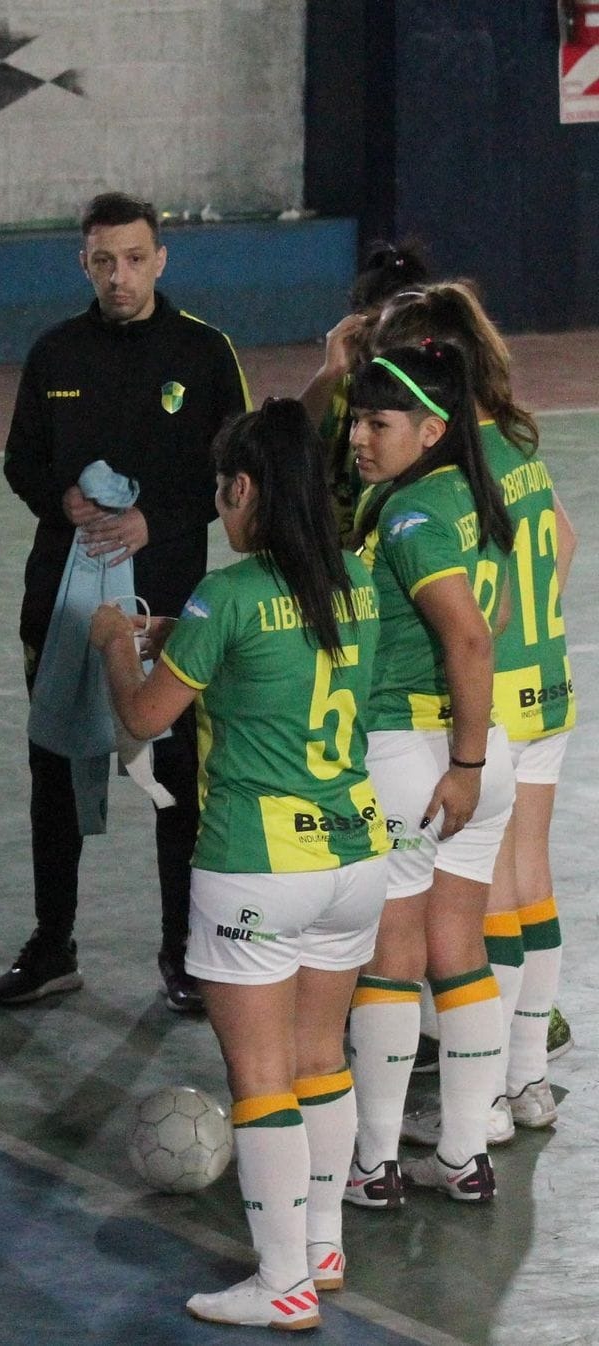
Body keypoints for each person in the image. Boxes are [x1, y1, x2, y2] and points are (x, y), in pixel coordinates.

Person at [90, 399, 388, 1330]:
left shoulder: (232, 593)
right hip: (355, 857)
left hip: (258, 863)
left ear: (247, 488)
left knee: (260, 1078)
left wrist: (113, 650)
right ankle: (325, 1246)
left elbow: (143, 719)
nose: (220, 511)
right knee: (319, 1060)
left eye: (223, 493)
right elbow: (282, 640)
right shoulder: (358, 584)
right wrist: (191, 631)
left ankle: (280, 1282)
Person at [0, 191, 251, 1011]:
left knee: (176, 778)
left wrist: (156, 520)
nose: (120, 276)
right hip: (64, 607)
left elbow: (237, 479)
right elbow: (19, 464)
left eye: (135, 258)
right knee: (55, 771)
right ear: (84, 263)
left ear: (161, 258)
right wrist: (58, 499)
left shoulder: (206, 355)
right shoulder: (54, 353)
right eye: (104, 261)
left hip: (171, 607)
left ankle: (182, 951)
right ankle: (52, 943)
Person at [373, 283, 576, 1138]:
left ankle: (483, 1099)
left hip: (488, 698)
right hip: (549, 681)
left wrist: (489, 638)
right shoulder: (516, 440)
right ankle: (524, 1079)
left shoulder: (452, 465)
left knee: (479, 899)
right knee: (529, 877)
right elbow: (562, 538)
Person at [343, 343, 516, 1207]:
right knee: (461, 948)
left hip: (421, 756)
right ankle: (461, 1156)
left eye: (379, 422)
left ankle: (371, 1164)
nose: (358, 438)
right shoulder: (477, 498)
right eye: (356, 420)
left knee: (391, 956)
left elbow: (470, 637)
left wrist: (464, 762)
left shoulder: (408, 515)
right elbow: (508, 616)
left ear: (432, 429)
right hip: (482, 755)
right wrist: (481, 756)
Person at [300, 239, 431, 539]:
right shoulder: (339, 388)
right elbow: (286, 447)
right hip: (343, 561)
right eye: (369, 327)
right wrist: (329, 372)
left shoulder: (433, 393)